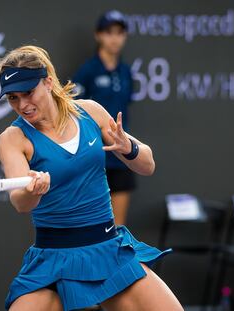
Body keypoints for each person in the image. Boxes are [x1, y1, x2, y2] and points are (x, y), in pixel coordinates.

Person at [0, 45, 183, 311]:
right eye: (13, 98)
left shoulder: (90, 112)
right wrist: (33, 190)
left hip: (108, 250)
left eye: (28, 92)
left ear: (48, 82)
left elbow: (147, 164)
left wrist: (128, 148)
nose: (22, 105)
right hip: (53, 262)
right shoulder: (12, 139)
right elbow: (20, 203)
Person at [72, 10, 134, 225]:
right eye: (109, 32)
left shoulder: (126, 72)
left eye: (119, 33)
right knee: (93, 226)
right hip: (94, 159)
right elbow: (74, 113)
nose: (115, 38)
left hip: (121, 157)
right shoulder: (87, 72)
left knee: (118, 228)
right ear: (98, 35)